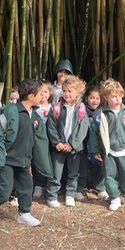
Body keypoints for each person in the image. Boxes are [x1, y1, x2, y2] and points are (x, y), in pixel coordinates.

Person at [0, 79, 51, 230]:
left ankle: (24, 213)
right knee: (5, 190)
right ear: (31, 96)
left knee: (26, 188)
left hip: (25, 161)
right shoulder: (11, 111)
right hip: (8, 159)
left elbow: (37, 141)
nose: (43, 97)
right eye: (40, 94)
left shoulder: (34, 115)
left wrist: (33, 161)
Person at [88, 79, 125, 211]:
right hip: (109, 152)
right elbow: (93, 132)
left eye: (119, 96)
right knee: (110, 175)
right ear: (106, 97)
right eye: (114, 96)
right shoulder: (100, 114)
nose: (117, 99)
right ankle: (114, 197)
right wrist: (95, 151)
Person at [45, 75, 89, 208]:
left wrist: (72, 144)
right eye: (65, 91)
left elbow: (82, 129)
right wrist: (57, 142)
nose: (67, 94)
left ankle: (70, 194)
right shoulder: (56, 108)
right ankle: (52, 195)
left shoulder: (81, 108)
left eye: (70, 91)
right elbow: (51, 127)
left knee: (73, 173)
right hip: (58, 147)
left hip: (74, 148)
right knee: (55, 173)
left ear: (78, 93)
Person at [77, 84, 108, 200]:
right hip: (83, 145)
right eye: (91, 98)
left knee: (98, 166)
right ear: (86, 98)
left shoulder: (102, 112)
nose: (94, 101)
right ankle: (79, 189)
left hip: (98, 146)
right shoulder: (81, 110)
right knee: (82, 167)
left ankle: (101, 188)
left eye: (97, 98)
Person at [32, 81, 54, 200]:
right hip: (38, 140)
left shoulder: (54, 108)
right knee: (39, 160)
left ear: (50, 93)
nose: (43, 94)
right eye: (40, 92)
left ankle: (52, 185)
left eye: (45, 91)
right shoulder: (33, 108)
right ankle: (38, 185)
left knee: (52, 160)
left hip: (52, 139)